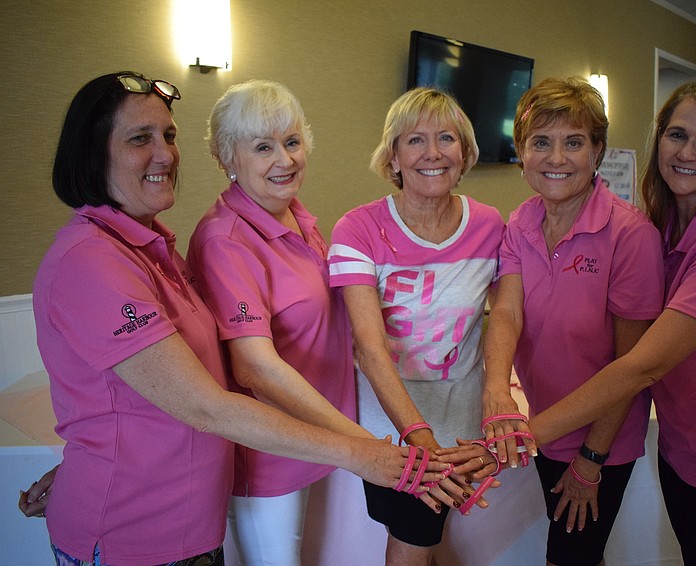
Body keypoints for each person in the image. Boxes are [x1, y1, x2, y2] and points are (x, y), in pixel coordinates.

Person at [27, 71, 444, 566]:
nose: (165, 154)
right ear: (91, 152)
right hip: (133, 531)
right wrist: (363, 452)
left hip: (192, 518)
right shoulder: (92, 260)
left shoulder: (153, 247)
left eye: (169, 135)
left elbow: (173, 379)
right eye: (140, 138)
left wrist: (77, 459)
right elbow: (212, 402)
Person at [522, 80, 696, 565]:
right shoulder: (667, 225)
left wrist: (522, 439)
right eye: (677, 135)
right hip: (682, 450)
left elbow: (639, 368)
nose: (687, 151)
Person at [187, 79, 461, 565]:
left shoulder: (299, 218)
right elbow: (255, 368)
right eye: (263, 147)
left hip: (321, 441)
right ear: (227, 158)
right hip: (271, 456)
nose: (285, 160)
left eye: (292, 143)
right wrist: (359, 445)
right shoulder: (224, 240)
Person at [476, 77, 665, 566]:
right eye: (541, 142)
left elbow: (631, 365)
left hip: (600, 435)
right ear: (521, 153)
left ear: (597, 151)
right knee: (578, 553)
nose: (556, 158)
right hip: (542, 423)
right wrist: (497, 389)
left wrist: (591, 459)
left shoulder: (631, 235)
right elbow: (508, 311)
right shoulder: (519, 222)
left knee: (569, 556)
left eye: (573, 142)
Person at [327, 87, 505, 565]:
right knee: (414, 534)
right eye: (415, 140)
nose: (432, 153)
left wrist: (497, 397)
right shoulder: (357, 229)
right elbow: (369, 348)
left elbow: (508, 315)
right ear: (393, 156)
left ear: (465, 153)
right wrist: (421, 444)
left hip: (460, 422)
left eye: (446, 138)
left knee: (422, 535)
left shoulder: (490, 227)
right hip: (391, 425)